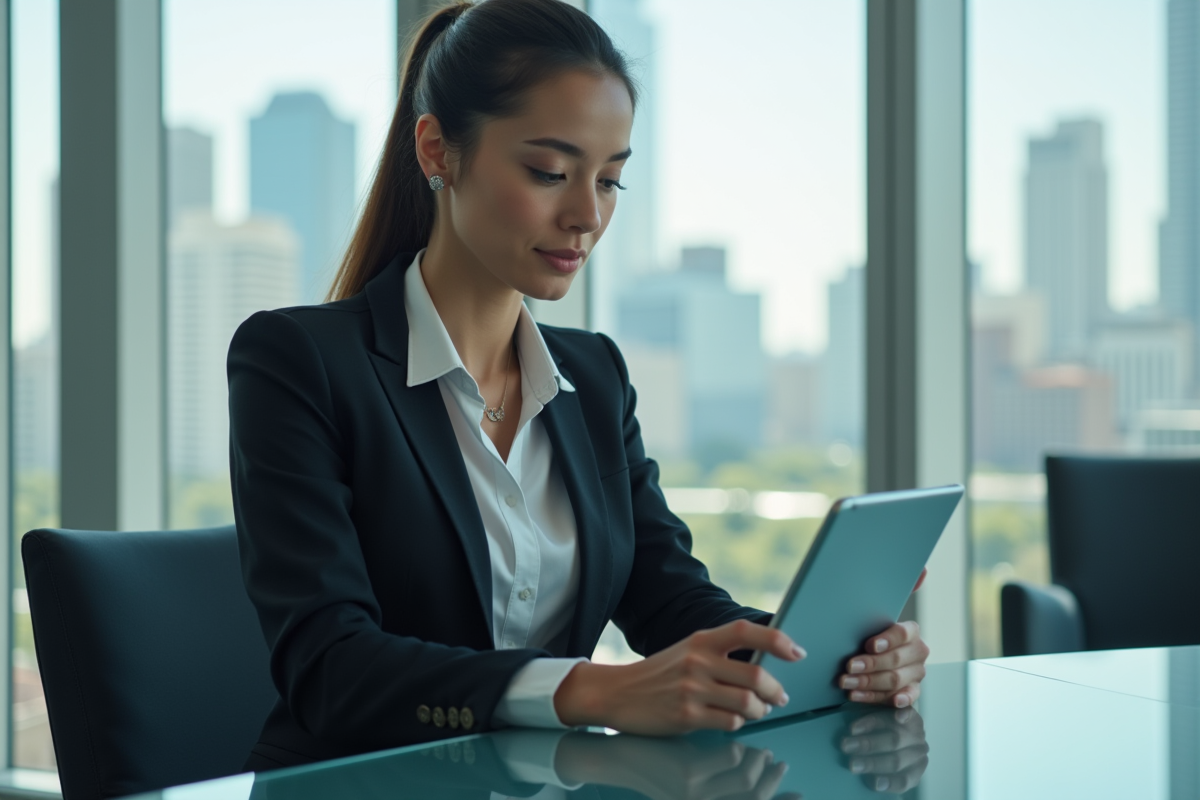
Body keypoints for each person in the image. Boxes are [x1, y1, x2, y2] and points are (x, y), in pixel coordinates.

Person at [229, 0, 931, 771]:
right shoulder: (298, 361)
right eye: (549, 172)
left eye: (610, 182)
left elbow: (671, 602)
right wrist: (590, 692)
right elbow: (330, 668)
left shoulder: (594, 377)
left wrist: (821, 652)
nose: (585, 215)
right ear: (438, 151)